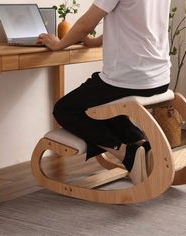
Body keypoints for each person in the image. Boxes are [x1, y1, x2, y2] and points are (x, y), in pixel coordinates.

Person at [37, 0, 172, 185]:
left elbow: (86, 24)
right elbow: (134, 24)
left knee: (65, 109)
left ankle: (126, 153)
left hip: (130, 77)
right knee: (103, 106)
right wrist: (93, 41)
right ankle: (140, 145)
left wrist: (58, 44)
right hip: (160, 77)